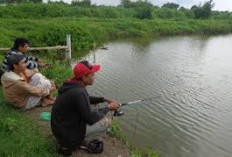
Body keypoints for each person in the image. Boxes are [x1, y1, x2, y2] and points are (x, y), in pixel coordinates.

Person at [51, 60, 120, 156]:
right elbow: (90, 119)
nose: (94, 77)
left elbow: (86, 99)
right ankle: (73, 143)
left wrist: (103, 99)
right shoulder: (79, 93)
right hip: (66, 133)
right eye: (92, 75)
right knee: (107, 122)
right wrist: (108, 108)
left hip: (59, 128)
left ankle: (70, 141)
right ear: (84, 77)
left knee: (92, 112)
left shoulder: (71, 84)